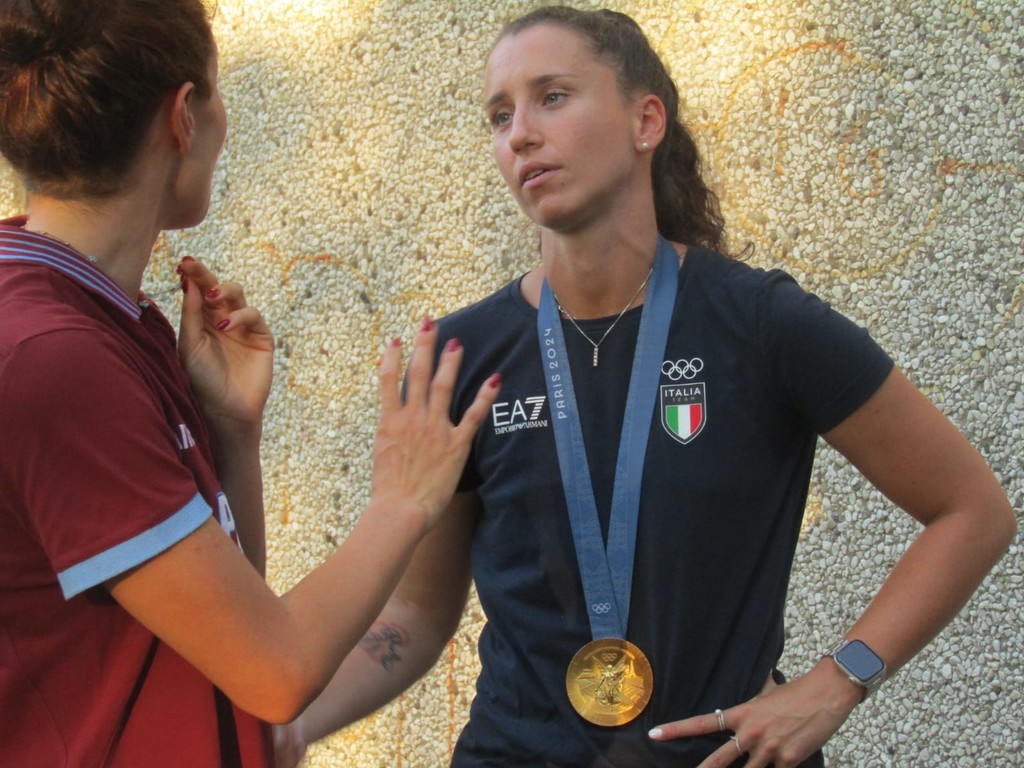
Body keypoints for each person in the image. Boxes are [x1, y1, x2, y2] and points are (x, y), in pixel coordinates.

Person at [276, 5, 1016, 768]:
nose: (520, 133)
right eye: (500, 116)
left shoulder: (762, 323)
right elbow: (416, 610)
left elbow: (972, 511)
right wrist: (290, 725)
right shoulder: (463, 359)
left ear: (646, 121)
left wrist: (839, 681)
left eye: (552, 96)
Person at [0, 1, 500, 766]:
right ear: (184, 116)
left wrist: (232, 431)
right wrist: (403, 500)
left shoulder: (113, 319)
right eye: (219, 92)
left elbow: (225, 634)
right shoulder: (51, 354)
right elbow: (276, 671)